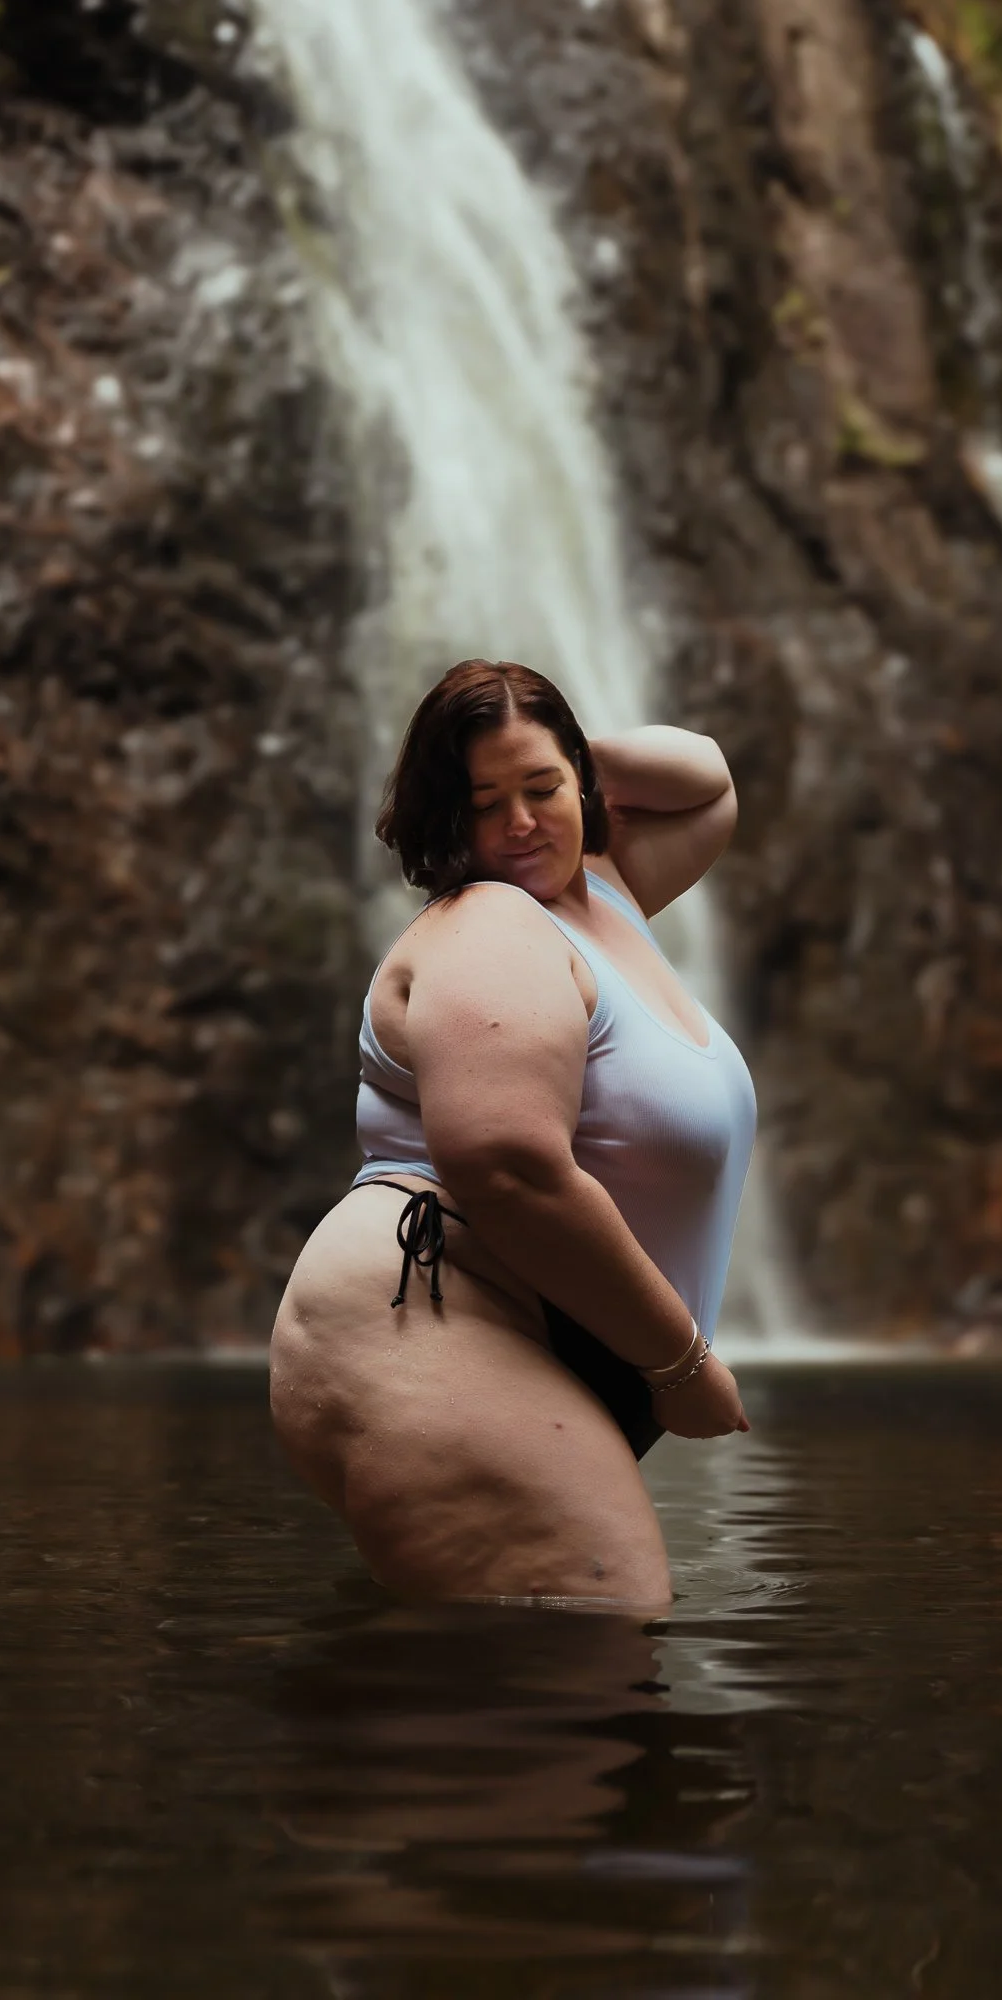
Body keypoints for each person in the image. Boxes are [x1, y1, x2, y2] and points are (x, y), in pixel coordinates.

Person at [270, 660, 757, 1611]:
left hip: (527, 1334)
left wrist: (523, 727)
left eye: (542, 789)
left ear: (585, 780)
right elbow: (505, 1165)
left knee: (535, 1694)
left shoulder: (607, 898)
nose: (521, 824)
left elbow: (707, 780)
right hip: (437, 1317)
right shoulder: (489, 925)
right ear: (445, 819)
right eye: (483, 802)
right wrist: (683, 1365)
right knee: (579, 1661)